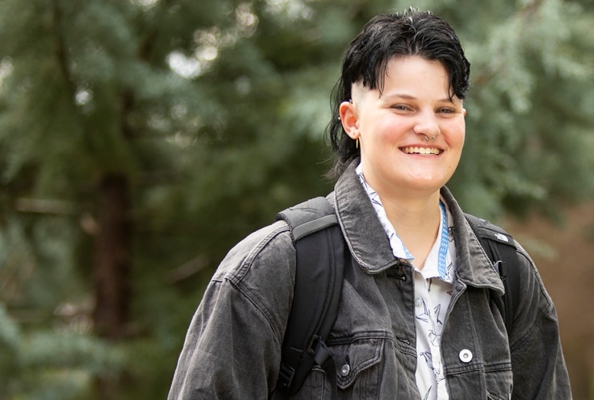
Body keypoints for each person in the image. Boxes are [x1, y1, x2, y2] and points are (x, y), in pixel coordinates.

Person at [168, 9, 571, 399]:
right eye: (403, 107)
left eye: (445, 109)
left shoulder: (506, 272)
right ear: (352, 120)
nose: (428, 127)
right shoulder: (276, 266)